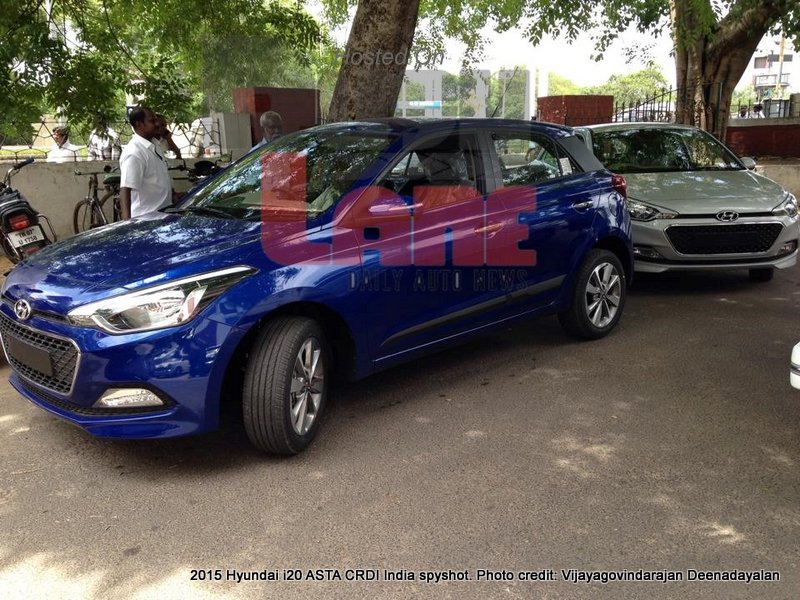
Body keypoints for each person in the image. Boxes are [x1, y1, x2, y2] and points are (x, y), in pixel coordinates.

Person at [119, 106, 172, 220]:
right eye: (151, 121)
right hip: (146, 219)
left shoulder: (154, 145)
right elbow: (125, 189)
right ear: (139, 124)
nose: (157, 124)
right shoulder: (134, 153)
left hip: (162, 216)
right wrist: (126, 224)